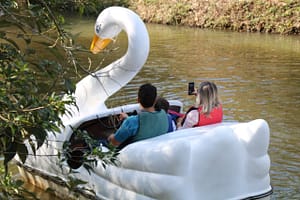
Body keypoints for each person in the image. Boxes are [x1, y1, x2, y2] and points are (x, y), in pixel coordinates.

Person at [108, 83, 169, 149]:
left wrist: (110, 137)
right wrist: (128, 118)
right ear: (155, 99)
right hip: (155, 149)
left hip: (134, 153)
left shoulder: (131, 122)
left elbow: (115, 143)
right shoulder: (165, 115)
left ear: (138, 100)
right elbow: (148, 124)